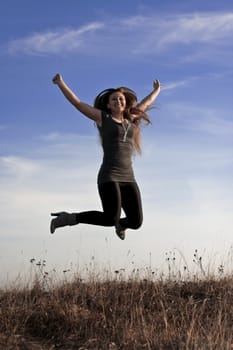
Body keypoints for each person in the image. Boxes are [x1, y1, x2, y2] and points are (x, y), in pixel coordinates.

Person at [50, 73, 160, 240]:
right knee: (110, 218)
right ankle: (68, 218)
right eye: (114, 99)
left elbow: (146, 103)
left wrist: (156, 90)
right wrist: (61, 83)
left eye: (121, 99)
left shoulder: (131, 119)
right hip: (109, 176)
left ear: (125, 103)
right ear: (108, 105)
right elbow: (77, 103)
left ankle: (122, 225)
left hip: (129, 177)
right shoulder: (103, 119)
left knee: (136, 222)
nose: (118, 101)